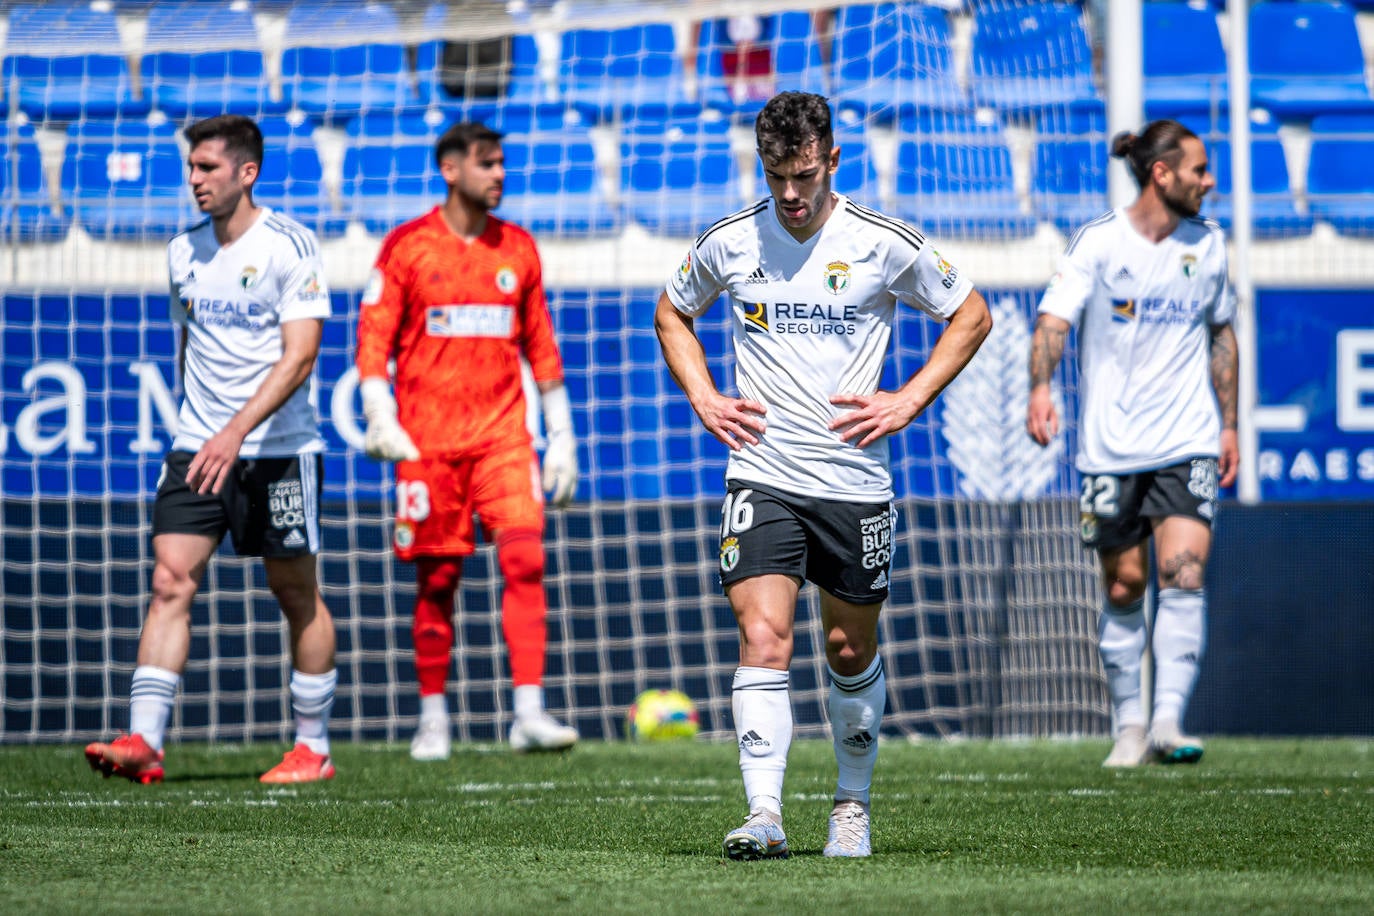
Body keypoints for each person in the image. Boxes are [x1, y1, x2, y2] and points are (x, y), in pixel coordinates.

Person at [655, 91, 992, 859]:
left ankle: (851, 803)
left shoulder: (881, 242)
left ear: (833, 160)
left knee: (846, 650)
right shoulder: (730, 241)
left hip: (853, 483)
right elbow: (672, 313)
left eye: (804, 174)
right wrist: (704, 397)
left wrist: (909, 398)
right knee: (763, 635)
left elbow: (971, 313)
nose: (791, 194)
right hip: (763, 474)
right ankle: (765, 814)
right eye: (777, 176)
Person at [85, 114, 339, 785]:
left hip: (278, 450)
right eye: (191, 168)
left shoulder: (291, 245)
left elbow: (302, 355)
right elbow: (189, 343)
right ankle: (144, 740)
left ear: (246, 173)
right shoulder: (182, 251)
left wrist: (236, 430)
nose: (194, 180)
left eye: (207, 168)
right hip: (197, 446)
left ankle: (313, 748)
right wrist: (202, 427)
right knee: (170, 579)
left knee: (294, 591)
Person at [355, 121, 580, 760]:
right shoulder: (407, 248)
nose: (499, 175)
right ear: (451, 170)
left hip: (505, 439)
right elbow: (374, 337)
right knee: (437, 580)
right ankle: (433, 718)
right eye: (487, 164)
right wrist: (379, 411)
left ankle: (529, 712)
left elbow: (541, 344)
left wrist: (560, 437)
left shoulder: (519, 249)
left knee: (526, 560)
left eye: (502, 163)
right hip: (427, 446)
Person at [1026, 119, 1239, 768]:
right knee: (1123, 586)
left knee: (1184, 572)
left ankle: (1168, 721)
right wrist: (1041, 388)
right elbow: (1052, 321)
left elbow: (1222, 335)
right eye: (1200, 170)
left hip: (1188, 438)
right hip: (1110, 445)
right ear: (1162, 173)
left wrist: (1229, 423)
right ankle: (1129, 726)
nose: (1211, 181)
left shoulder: (1209, 245)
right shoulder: (1098, 242)